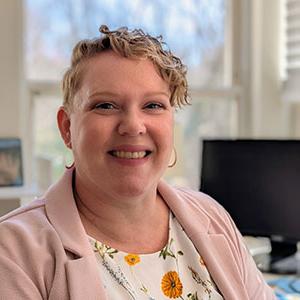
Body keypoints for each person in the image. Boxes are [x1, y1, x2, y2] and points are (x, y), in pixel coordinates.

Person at [0, 25, 275, 300]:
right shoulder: (13, 250)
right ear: (67, 128)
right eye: (105, 105)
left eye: (153, 105)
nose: (133, 126)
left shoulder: (213, 217)